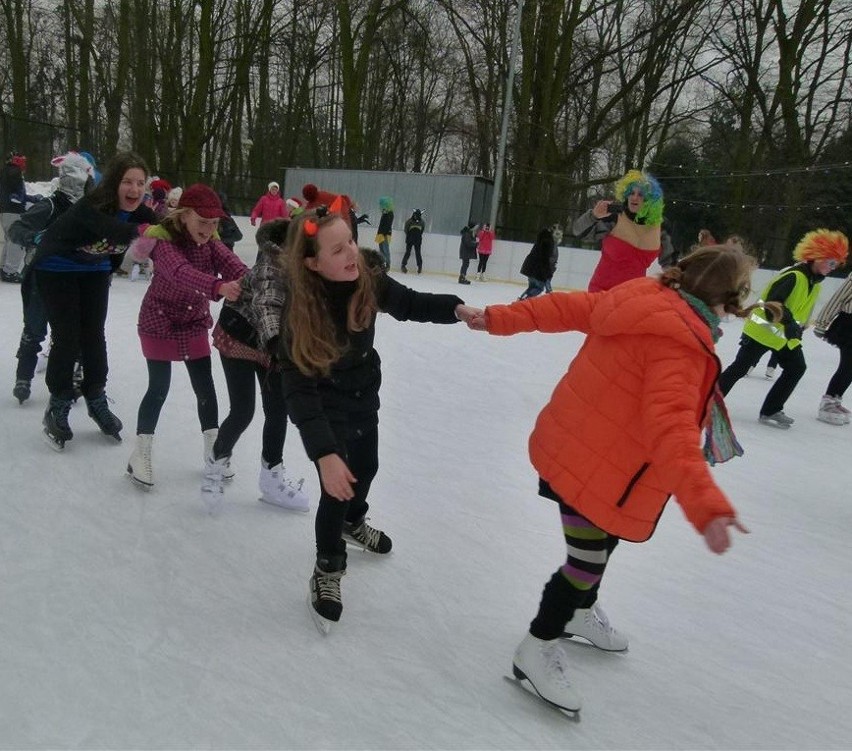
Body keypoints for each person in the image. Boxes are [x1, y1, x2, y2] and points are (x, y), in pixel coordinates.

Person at [466, 244, 764, 713]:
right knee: (585, 562)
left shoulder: (643, 295)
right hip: (594, 467)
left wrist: (501, 317)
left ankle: (580, 612)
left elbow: (565, 306)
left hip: (585, 451)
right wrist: (706, 505)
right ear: (725, 299)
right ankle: (536, 647)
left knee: (606, 544)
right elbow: (673, 432)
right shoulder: (681, 345)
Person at [278, 206, 478, 631]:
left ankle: (354, 521)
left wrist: (455, 309)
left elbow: (409, 302)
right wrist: (325, 452)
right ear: (312, 263)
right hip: (325, 403)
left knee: (367, 466)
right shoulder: (298, 314)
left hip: (363, 393)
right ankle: (327, 568)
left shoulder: (365, 278)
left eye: (351, 240)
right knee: (338, 485)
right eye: (338, 249)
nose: (352, 252)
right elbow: (298, 391)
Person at [124, 184, 248, 498]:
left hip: (192, 322)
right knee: (159, 387)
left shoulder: (211, 242)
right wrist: (219, 287)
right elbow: (181, 272)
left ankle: (214, 451)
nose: (208, 230)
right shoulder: (163, 242)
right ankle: (140, 453)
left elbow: (234, 266)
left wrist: (255, 280)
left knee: (204, 385)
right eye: (202, 222)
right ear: (184, 216)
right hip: (158, 321)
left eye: (214, 224)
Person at [33, 151, 157, 450]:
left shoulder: (143, 214)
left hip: (95, 270)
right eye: (128, 182)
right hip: (56, 267)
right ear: (115, 183)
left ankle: (96, 395)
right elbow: (114, 230)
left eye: (141, 183)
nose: (135, 190)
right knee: (68, 337)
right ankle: (59, 401)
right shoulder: (92, 205)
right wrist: (146, 231)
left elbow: (159, 236)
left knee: (94, 335)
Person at [205, 217, 309, 511]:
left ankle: (271, 479)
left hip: (272, 343)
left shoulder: (310, 264)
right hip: (241, 336)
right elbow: (267, 303)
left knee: (278, 409)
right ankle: (215, 466)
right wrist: (276, 343)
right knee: (243, 411)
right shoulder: (272, 263)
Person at [718, 229, 849, 428]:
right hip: (761, 333)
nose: (833, 268)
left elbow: (799, 309)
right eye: (831, 262)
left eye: (836, 264)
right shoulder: (794, 276)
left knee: (796, 368)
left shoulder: (814, 283)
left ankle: (771, 410)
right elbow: (773, 304)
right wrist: (788, 322)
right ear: (815, 257)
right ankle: (709, 402)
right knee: (740, 367)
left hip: (783, 337)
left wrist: (799, 327)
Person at [8, 152, 94, 404]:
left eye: (82, 178)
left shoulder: (89, 210)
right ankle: (23, 376)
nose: (77, 183)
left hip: (76, 280)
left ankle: (73, 376)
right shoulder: (50, 205)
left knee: (72, 332)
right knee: (35, 329)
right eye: (72, 177)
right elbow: (17, 228)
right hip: (42, 279)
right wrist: (35, 238)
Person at [573, 169, 671, 292]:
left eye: (640, 194)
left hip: (631, 298)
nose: (634, 197)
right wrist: (593, 216)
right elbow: (578, 232)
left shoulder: (660, 227)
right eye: (631, 193)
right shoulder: (615, 217)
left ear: (650, 200)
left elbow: (670, 264)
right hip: (602, 293)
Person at [813, 270, 852, 425]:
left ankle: (835, 398)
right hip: (849, 325)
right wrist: (822, 322)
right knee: (847, 365)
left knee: (850, 367)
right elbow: (837, 298)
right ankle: (828, 400)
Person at [1, 152, 39, 283]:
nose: (24, 164)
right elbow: (16, 193)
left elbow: (19, 194)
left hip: (6, 211)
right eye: (22, 161)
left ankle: (4, 268)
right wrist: (16, 198)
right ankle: (10, 271)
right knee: (16, 240)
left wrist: (32, 198)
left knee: (9, 239)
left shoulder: (7, 171)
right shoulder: (14, 172)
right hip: (13, 211)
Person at [518, 227, 556, 299]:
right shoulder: (547, 243)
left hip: (530, 270)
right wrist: (547, 274)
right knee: (538, 288)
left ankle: (521, 299)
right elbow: (544, 260)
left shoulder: (539, 242)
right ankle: (523, 300)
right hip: (537, 272)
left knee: (531, 288)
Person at [401, 208, 425, 274]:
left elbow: (406, 229)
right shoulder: (410, 221)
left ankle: (419, 267)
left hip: (416, 239)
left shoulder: (421, 222)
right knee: (408, 252)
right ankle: (403, 265)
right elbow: (406, 229)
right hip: (412, 239)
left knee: (417, 253)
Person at [375, 196, 394, 269]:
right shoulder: (385, 213)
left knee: (385, 249)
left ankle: (387, 264)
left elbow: (387, 224)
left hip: (385, 234)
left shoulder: (389, 213)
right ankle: (382, 263)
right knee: (381, 249)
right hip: (381, 233)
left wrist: (383, 233)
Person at [458, 220, 478, 285]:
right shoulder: (467, 234)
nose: (476, 229)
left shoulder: (470, 233)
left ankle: (463, 276)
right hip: (465, 251)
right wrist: (476, 244)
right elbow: (468, 243)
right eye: (475, 227)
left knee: (466, 264)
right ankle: (462, 277)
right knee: (465, 264)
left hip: (466, 251)